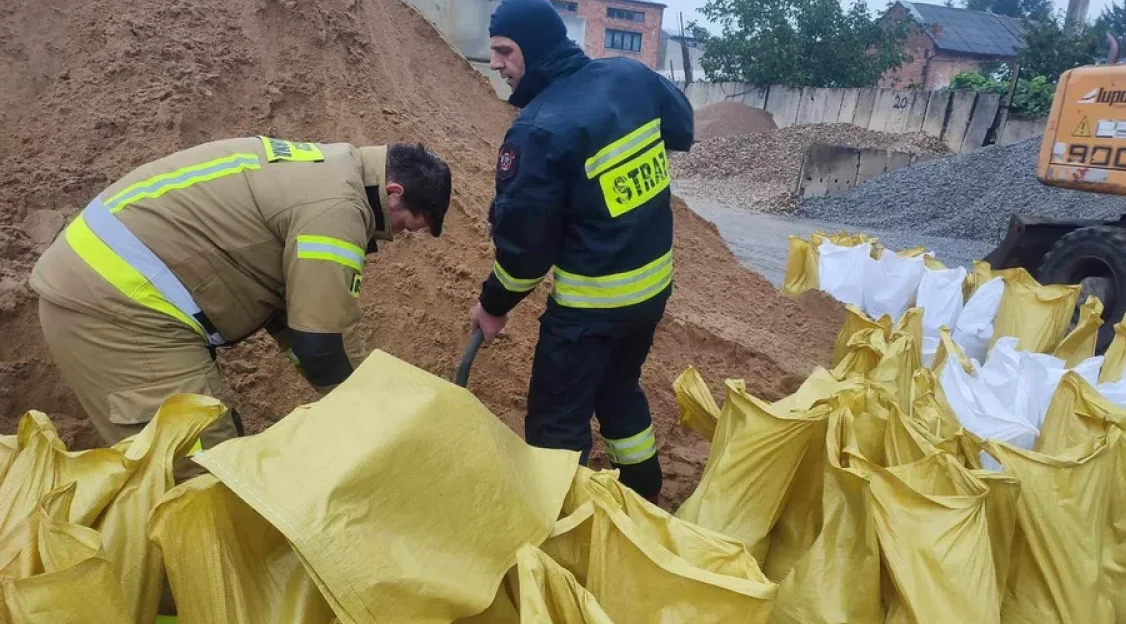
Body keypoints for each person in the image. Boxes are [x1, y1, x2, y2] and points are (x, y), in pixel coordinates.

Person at [30, 136, 452, 470]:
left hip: (112, 289)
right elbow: (322, 343)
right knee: (200, 471)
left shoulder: (328, 171)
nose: (397, 237)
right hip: (118, 309)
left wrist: (359, 393)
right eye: (406, 226)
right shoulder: (337, 209)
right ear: (393, 193)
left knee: (207, 457)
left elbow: (292, 316)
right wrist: (372, 420)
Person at [469, 0, 695, 504]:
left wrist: (492, 305)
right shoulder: (631, 77)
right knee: (618, 391)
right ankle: (643, 500)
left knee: (556, 421)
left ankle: (564, 532)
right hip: (651, 292)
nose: (495, 64)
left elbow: (526, 253)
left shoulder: (538, 130)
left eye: (505, 51)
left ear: (537, 48)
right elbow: (682, 128)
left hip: (589, 313)